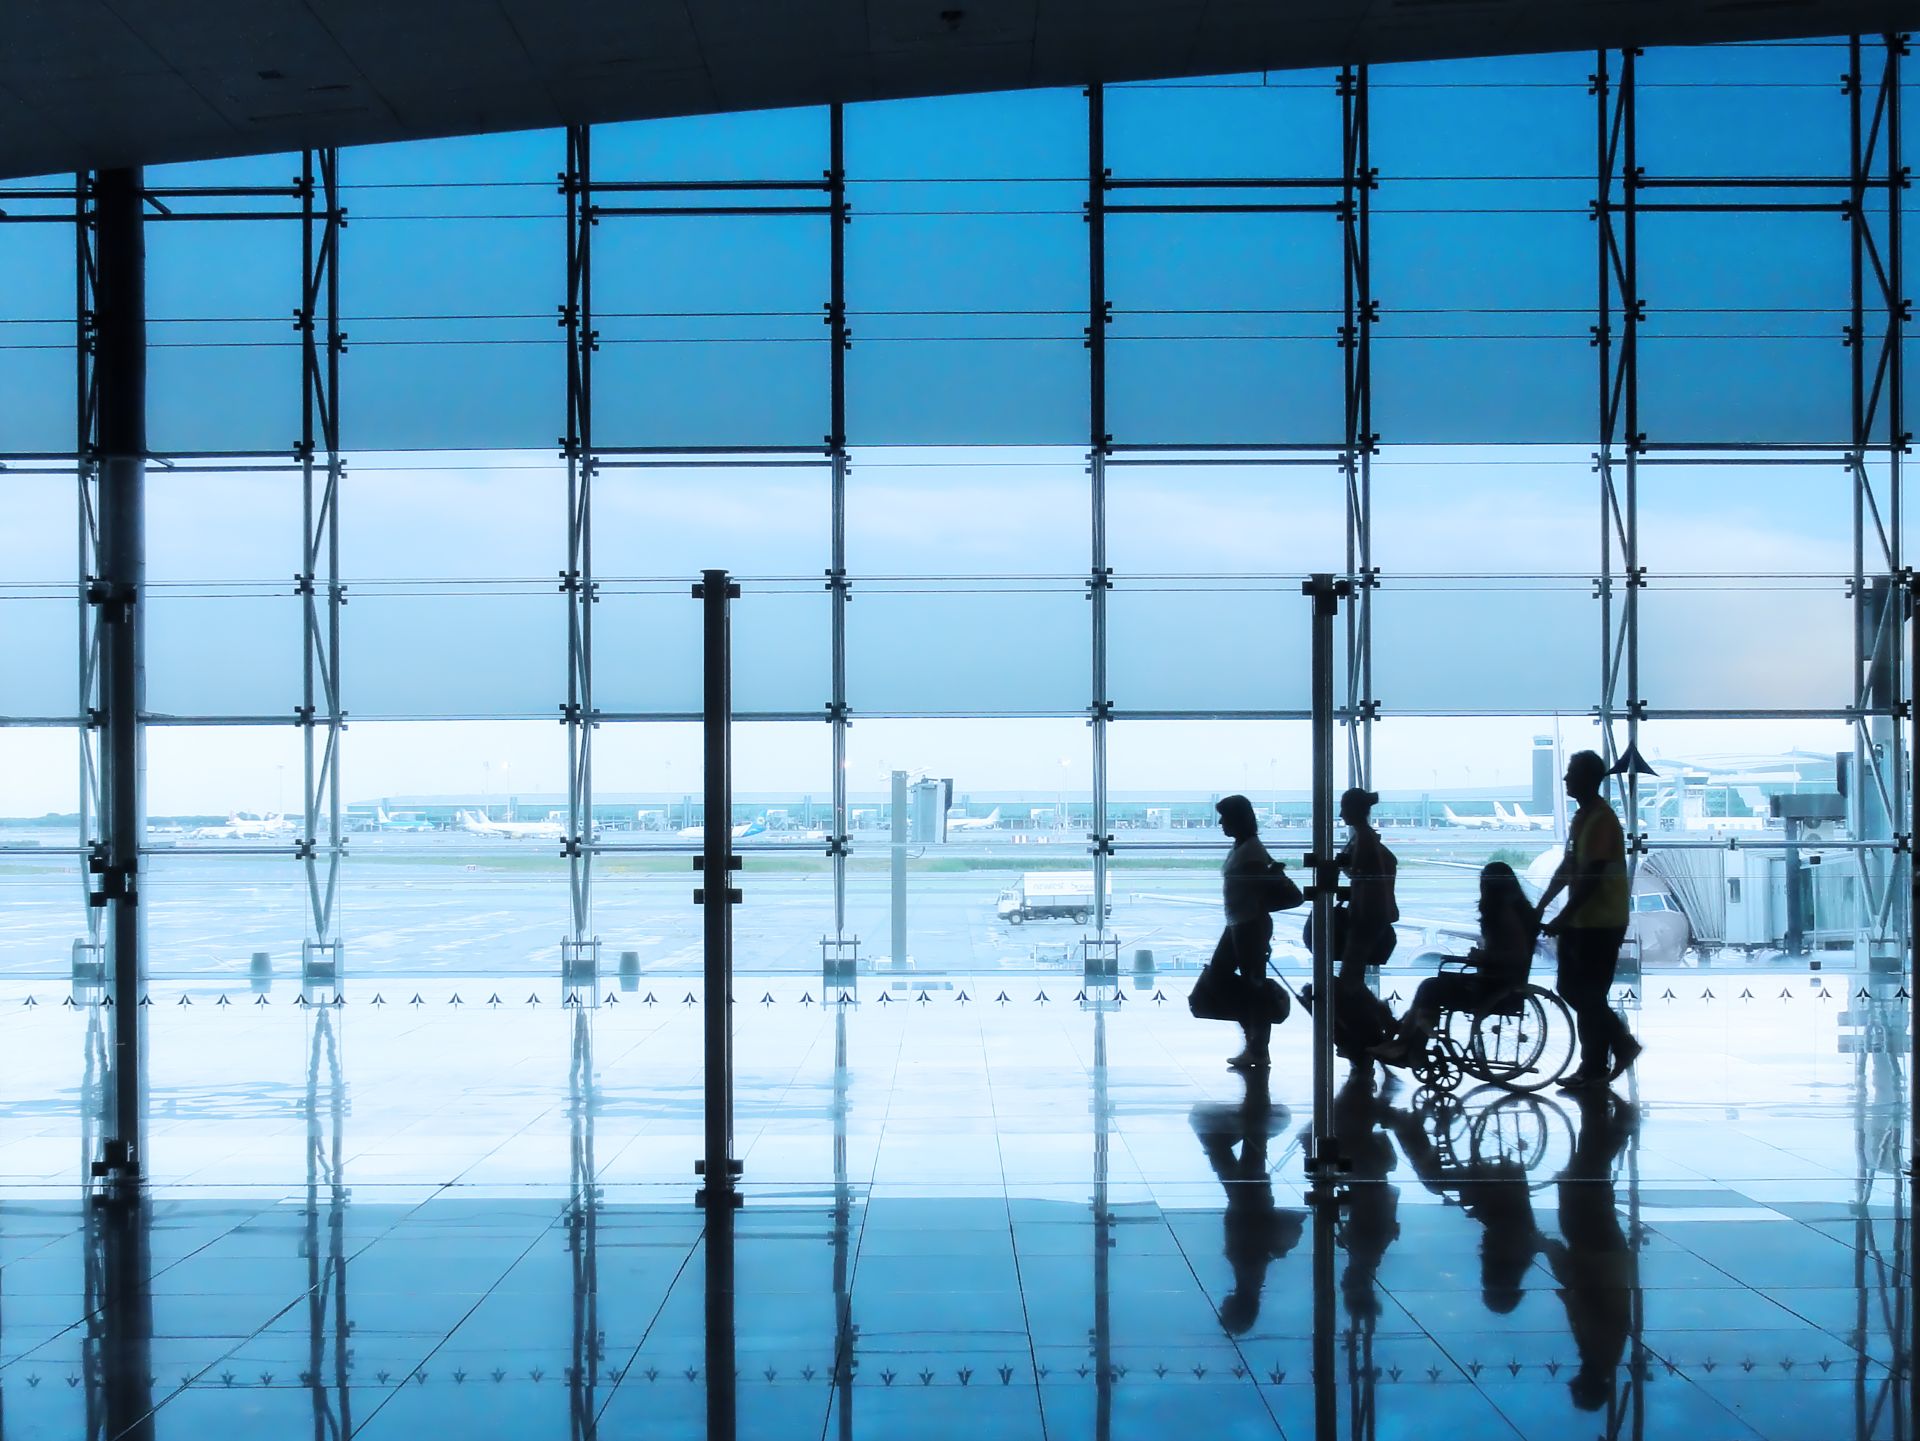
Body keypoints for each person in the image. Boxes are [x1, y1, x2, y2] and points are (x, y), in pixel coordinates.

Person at [1536, 750, 1643, 1088]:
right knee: (1584, 993)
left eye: (1571, 773)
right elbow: (1569, 868)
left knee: (1582, 991)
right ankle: (1594, 1065)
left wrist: (1562, 915)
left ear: (1587, 778)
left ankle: (1617, 1047)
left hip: (1600, 923)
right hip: (1586, 922)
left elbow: (1591, 876)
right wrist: (1544, 906)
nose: (1566, 779)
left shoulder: (1602, 820)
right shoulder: (1583, 818)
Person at [1369, 861, 1535, 1065]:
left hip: (1494, 987)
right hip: (1496, 983)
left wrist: (1482, 957)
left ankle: (1406, 1044)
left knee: (1431, 988)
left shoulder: (1506, 915)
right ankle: (1407, 1044)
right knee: (1431, 988)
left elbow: (1517, 956)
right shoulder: (1514, 911)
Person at [1189, 1070, 1307, 1334]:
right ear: (1235, 1307)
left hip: (1248, 1201)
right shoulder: (1249, 1278)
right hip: (1248, 1202)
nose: (1221, 1305)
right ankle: (1256, 1083)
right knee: (1249, 1141)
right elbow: (1248, 1246)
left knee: (1247, 1143)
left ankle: (1255, 1089)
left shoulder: (1251, 1281)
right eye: (1225, 1310)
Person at [1542, 1088, 1638, 1412]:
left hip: (1601, 1255)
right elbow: (1589, 1302)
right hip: (1597, 1255)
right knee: (1588, 1172)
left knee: (1588, 1170)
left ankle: (1598, 1110)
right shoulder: (1600, 1351)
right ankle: (1620, 1121)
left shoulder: (1600, 1354)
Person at [1210, 794, 1295, 1069]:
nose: (1221, 822)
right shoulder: (1243, 847)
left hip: (1248, 925)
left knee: (1250, 985)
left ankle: (1257, 1046)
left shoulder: (1251, 853)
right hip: (1238, 923)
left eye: (1225, 817)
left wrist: (1260, 930)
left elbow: (1264, 889)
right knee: (1237, 981)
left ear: (1237, 820)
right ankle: (1254, 1044)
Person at [1336, 787, 1399, 984]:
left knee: (1351, 973)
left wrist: (1342, 866)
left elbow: (1360, 875)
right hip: (1370, 914)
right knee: (1353, 972)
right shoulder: (1366, 837)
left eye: (1344, 808)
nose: (1341, 814)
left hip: (1366, 915)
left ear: (1353, 810)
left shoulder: (1363, 839)